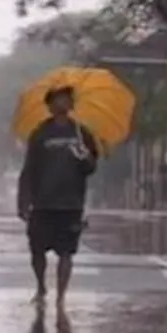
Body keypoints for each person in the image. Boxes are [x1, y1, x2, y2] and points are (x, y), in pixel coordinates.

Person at [17, 85, 99, 306]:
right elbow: (29, 168)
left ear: (71, 105)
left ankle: (61, 296)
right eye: (57, 100)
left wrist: (85, 158)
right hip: (42, 203)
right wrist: (24, 200)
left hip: (71, 204)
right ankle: (41, 286)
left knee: (66, 252)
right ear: (50, 106)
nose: (62, 104)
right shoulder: (40, 133)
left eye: (66, 100)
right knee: (37, 250)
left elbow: (91, 167)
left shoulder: (81, 134)